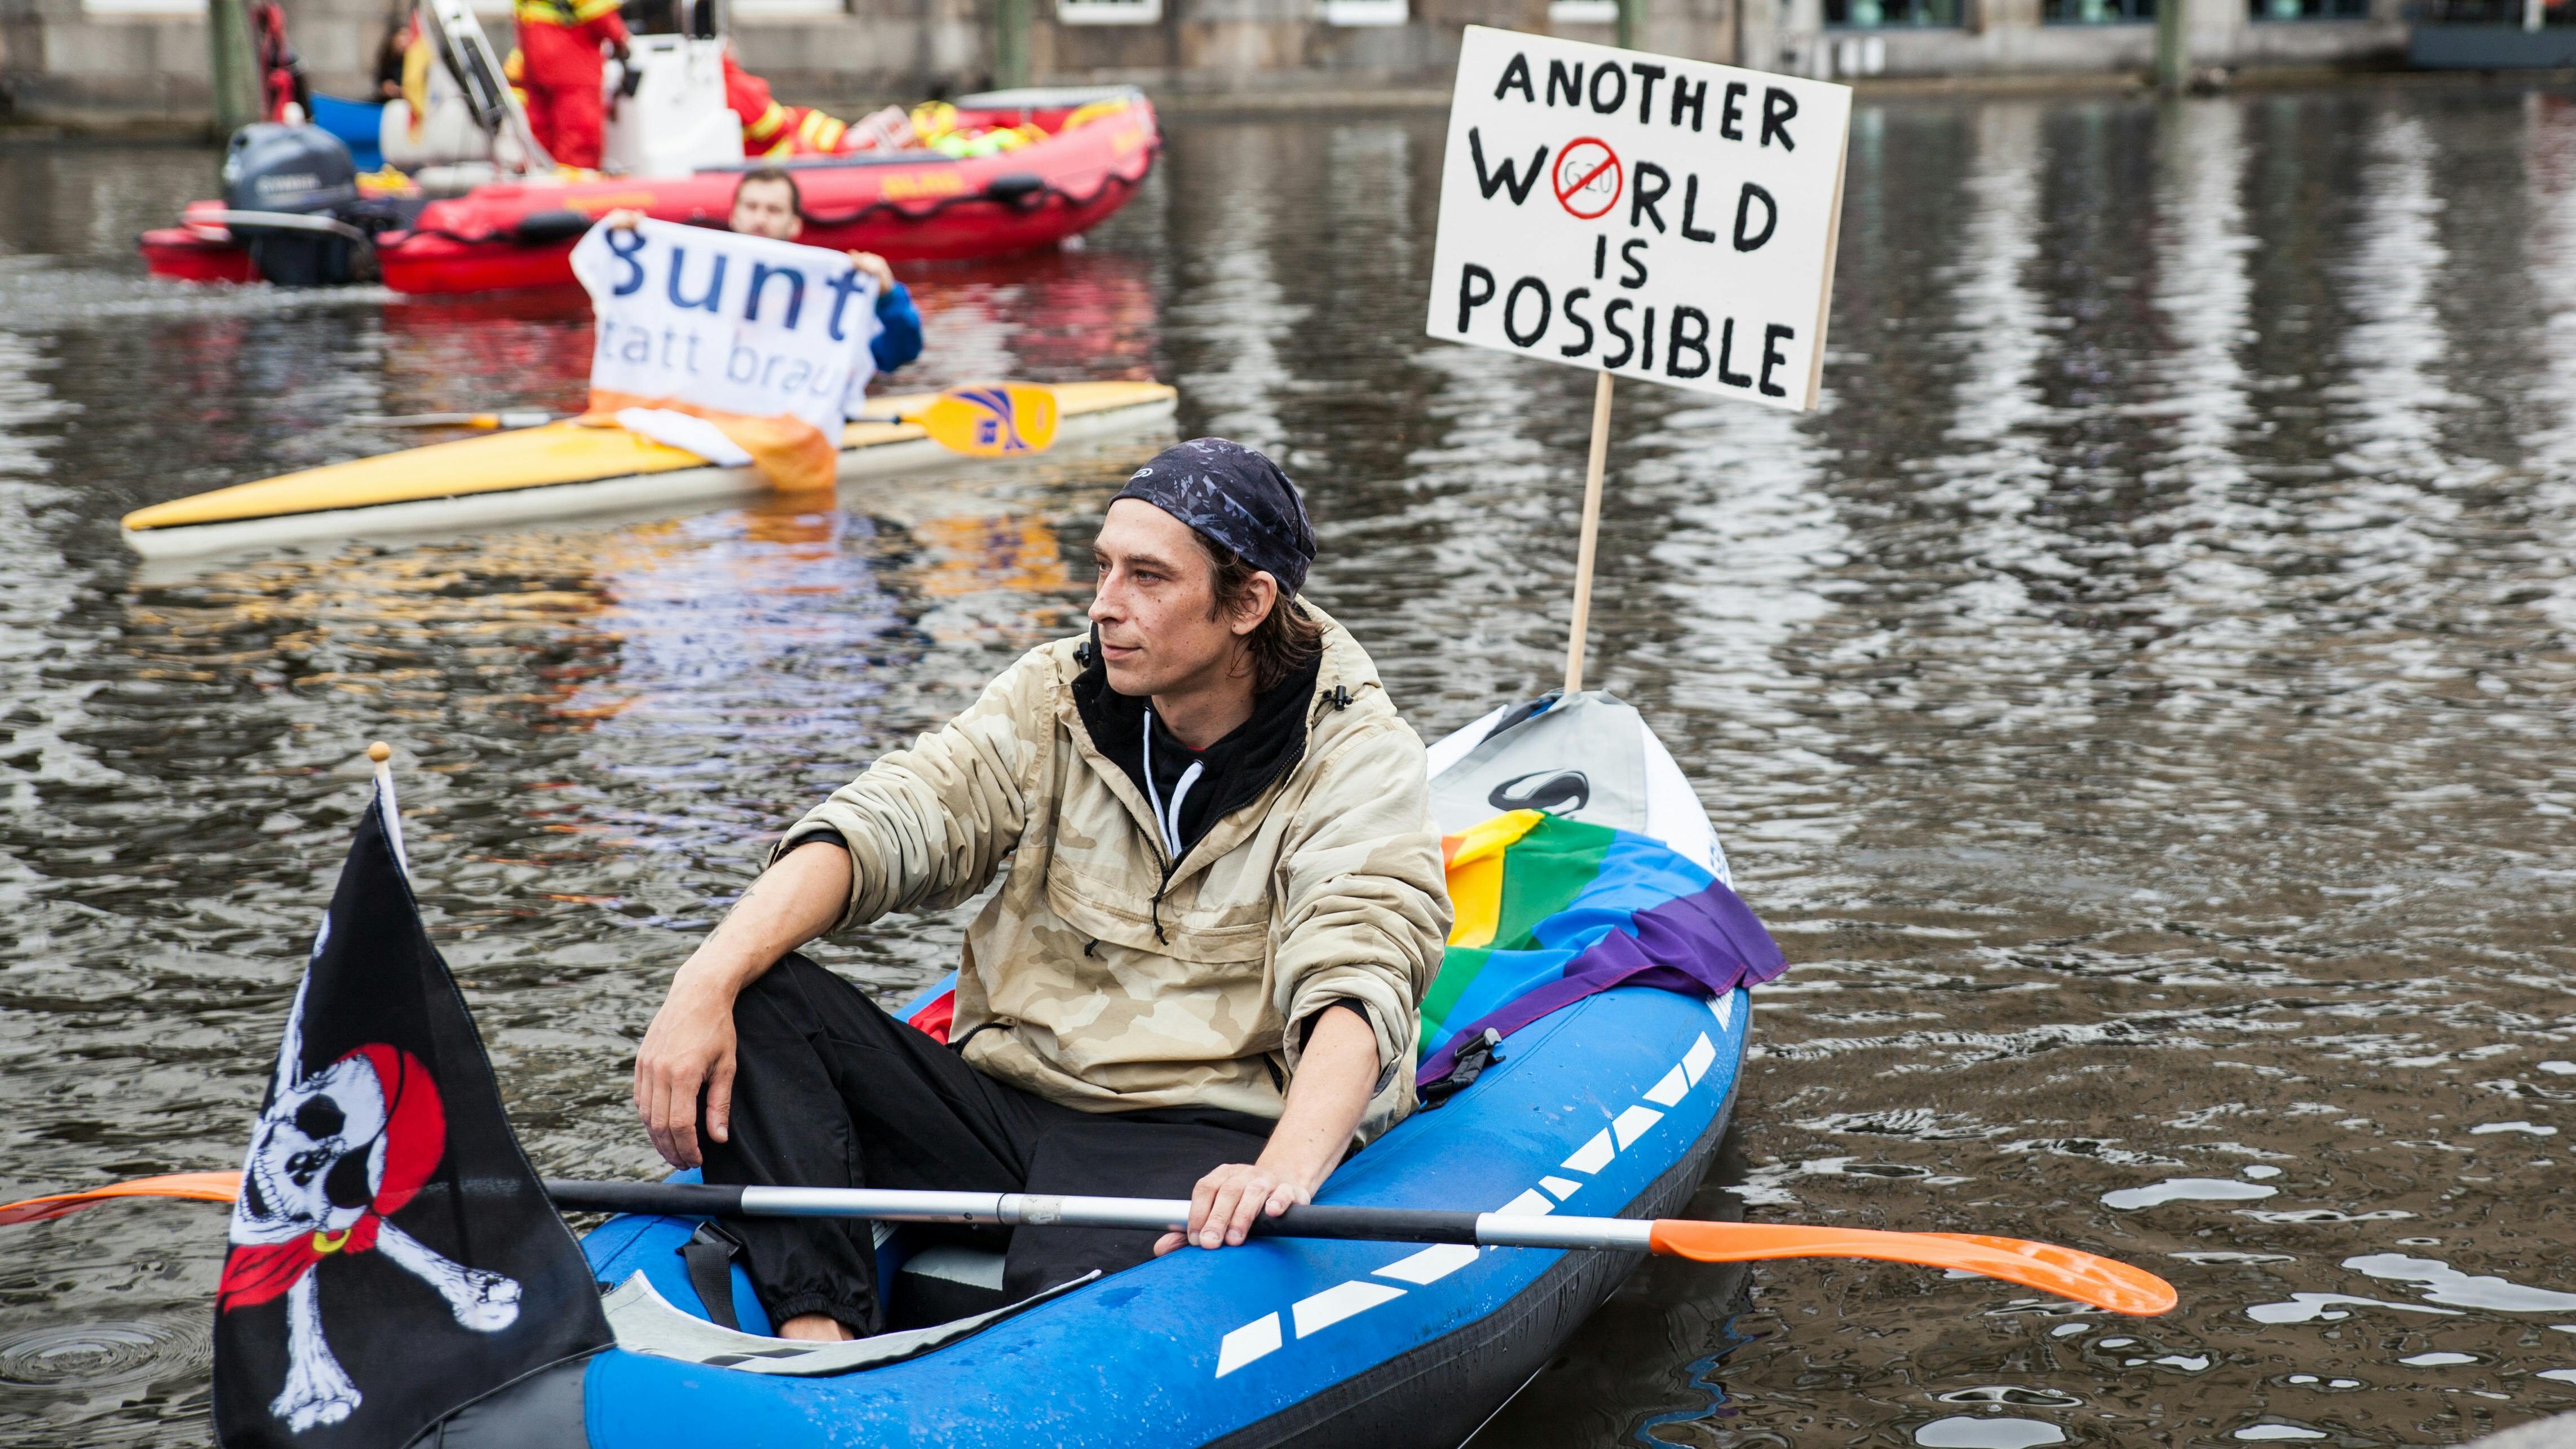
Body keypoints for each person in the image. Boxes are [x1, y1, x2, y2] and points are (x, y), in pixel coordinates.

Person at [631, 439, 1451, 1342]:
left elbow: (1360, 963)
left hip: (1206, 1126)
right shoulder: (1052, 695)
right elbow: (896, 816)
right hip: (1011, 1104)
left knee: (1074, 1320)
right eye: (1103, 567)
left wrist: (1282, 1169)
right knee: (759, 993)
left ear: (1247, 604)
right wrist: (702, 979)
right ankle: (816, 1339)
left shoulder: (1356, 754)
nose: (1104, 605)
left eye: (1147, 577)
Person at [603, 168, 922, 383]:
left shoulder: (826, 292)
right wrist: (625, 244)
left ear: (795, 224)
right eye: (752, 207)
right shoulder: (693, 278)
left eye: (773, 210)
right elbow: (635, 328)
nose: (760, 219)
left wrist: (888, 296)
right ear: (734, 216)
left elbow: (897, 354)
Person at [513, 0, 629, 170]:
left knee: (542, 138)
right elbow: (598, 13)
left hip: (535, 55)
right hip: (573, 60)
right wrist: (619, 36)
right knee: (578, 137)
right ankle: (574, 192)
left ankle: (544, 184)